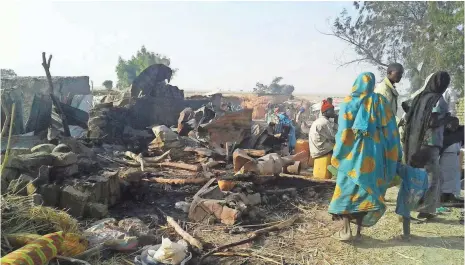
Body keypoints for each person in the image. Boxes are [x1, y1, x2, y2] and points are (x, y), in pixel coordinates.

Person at [328, 72, 402, 241]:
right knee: (366, 190)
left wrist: (338, 153)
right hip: (374, 156)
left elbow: (344, 132)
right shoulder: (381, 102)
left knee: (347, 189)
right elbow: (391, 130)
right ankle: (359, 232)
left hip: (351, 156)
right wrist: (393, 154)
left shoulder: (348, 103)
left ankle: (346, 231)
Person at [402, 72, 451, 220]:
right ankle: (425, 210)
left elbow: (406, 110)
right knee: (433, 178)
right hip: (430, 144)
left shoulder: (420, 97)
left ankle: (406, 207)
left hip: (415, 142)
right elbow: (432, 122)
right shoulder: (439, 100)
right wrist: (447, 119)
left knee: (415, 176)